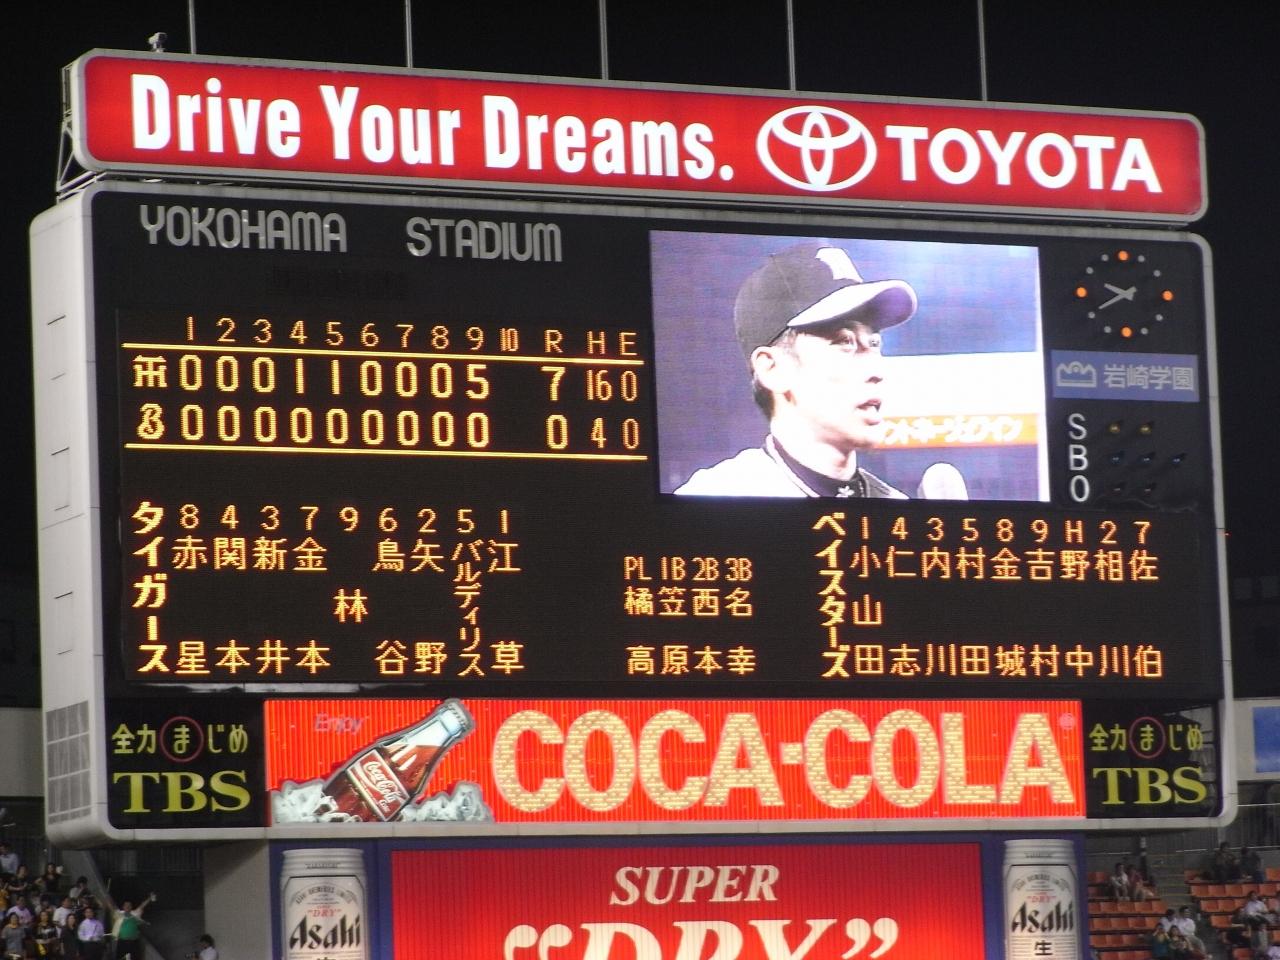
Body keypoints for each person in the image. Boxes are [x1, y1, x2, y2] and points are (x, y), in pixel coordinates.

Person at [675, 242, 921, 499]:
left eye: (874, 343)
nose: (876, 370)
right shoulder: (715, 499)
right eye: (844, 342)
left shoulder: (897, 507)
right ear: (773, 369)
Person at [108, 893, 154, 960]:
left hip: (134, 942)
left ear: (131, 907)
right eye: (126, 905)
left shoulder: (135, 914)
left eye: (129, 905)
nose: (127, 907)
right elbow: (111, 907)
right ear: (123, 907)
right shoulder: (119, 914)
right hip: (122, 942)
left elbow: (142, 906)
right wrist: (107, 898)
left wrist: (149, 898)